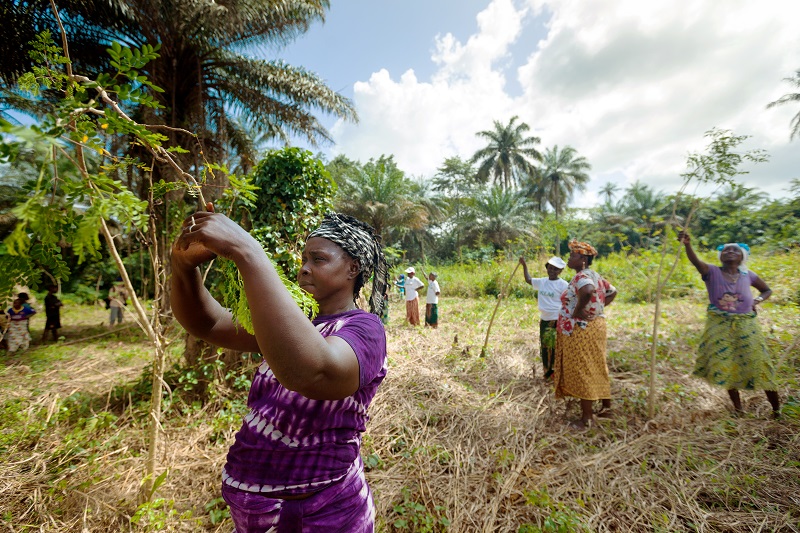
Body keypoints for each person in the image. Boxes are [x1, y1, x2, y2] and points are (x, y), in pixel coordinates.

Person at [171, 205, 389, 532]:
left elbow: (315, 372)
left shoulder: (365, 329)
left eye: (318, 259)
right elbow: (209, 321)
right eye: (304, 259)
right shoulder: (292, 322)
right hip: (256, 510)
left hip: (322, 511)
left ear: (352, 269)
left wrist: (248, 251)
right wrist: (182, 264)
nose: (303, 269)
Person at [677, 232, 780, 417]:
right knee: (727, 364)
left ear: (742, 257)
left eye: (735, 250)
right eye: (726, 250)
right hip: (720, 325)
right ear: (721, 256)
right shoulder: (711, 272)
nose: (730, 252)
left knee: (760, 364)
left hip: (746, 325)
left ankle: (776, 410)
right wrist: (687, 245)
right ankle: (738, 409)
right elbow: (695, 261)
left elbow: (766, 290)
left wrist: (756, 301)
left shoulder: (748, 275)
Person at [554, 241, 618, 430]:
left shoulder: (582, 276)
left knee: (583, 368)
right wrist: (597, 308)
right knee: (597, 364)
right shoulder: (595, 275)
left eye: (572, 255)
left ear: (582, 259)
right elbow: (612, 291)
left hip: (582, 329)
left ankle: (587, 418)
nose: (569, 258)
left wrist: (578, 311)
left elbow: (588, 291)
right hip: (596, 325)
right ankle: (606, 407)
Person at [519, 256, 569, 379]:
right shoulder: (542, 282)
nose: (552, 271)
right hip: (544, 319)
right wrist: (524, 265)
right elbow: (528, 280)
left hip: (556, 319)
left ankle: (555, 372)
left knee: (554, 346)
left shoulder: (563, 285)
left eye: (555, 269)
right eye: (550, 268)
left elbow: (568, 301)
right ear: (547, 268)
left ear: (560, 271)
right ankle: (547, 371)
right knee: (545, 346)